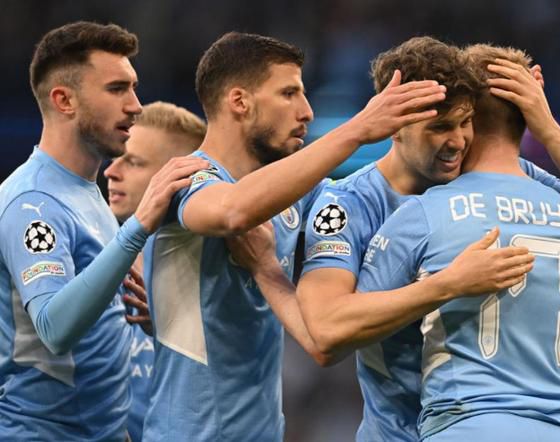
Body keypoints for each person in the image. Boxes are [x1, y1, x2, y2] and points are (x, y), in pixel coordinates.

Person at [141, 31, 452, 442]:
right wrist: (357, 129)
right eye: (289, 93)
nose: (306, 111)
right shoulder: (189, 178)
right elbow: (232, 211)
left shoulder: (302, 195)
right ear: (240, 101)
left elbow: (324, 340)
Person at [358, 44, 560, 442]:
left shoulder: (424, 214)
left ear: (466, 114)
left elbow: (342, 326)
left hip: (463, 426)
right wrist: (548, 126)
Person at [0, 22, 208, 440]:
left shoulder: (86, 191)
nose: (135, 105)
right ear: (64, 100)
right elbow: (55, 329)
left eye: (133, 87)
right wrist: (138, 226)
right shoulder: (32, 202)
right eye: (117, 89)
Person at [104, 101, 207, 442]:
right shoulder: (93, 265)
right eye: (118, 156)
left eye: (133, 162)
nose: (111, 171)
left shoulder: (221, 275)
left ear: (178, 178)